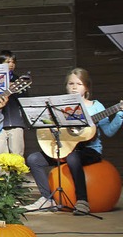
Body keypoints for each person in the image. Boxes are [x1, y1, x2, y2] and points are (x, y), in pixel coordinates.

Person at [25, 68, 123, 215]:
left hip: (90, 151)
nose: (74, 87)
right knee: (33, 159)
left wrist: (120, 113)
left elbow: (108, 131)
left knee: (73, 157)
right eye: (71, 83)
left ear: (87, 87)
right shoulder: (60, 107)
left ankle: (82, 201)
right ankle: (47, 198)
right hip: (65, 148)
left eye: (79, 83)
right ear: (66, 86)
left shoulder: (96, 106)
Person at [0, 50, 28, 157]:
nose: (11, 64)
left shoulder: (18, 80)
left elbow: (25, 99)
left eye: (13, 62)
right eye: (7, 62)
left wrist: (14, 90)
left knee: (17, 156)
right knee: (1, 157)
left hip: (16, 122)